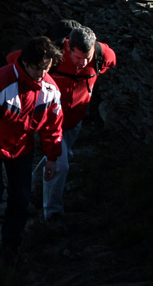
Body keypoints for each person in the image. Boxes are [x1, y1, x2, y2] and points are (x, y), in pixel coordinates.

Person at [0, 36, 64, 266]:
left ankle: (10, 245)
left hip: (22, 150)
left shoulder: (50, 89)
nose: (43, 74)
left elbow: (53, 125)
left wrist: (52, 157)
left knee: (20, 199)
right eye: (39, 69)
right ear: (26, 63)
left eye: (47, 68)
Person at [35, 22, 117, 222]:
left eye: (86, 58)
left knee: (57, 158)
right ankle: (52, 214)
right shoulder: (52, 54)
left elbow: (112, 62)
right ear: (68, 47)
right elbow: (17, 61)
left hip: (75, 119)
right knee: (61, 165)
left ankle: (33, 186)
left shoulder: (102, 56)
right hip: (50, 121)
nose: (81, 63)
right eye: (77, 57)